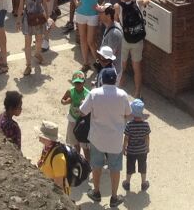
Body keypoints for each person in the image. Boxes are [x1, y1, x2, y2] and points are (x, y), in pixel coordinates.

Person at [80, 70, 135, 206]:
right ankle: (114, 198)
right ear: (115, 80)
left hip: (97, 138)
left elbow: (82, 112)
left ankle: (96, 192)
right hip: (115, 140)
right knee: (115, 168)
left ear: (102, 80)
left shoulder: (94, 93)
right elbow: (129, 115)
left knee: (96, 165)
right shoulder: (122, 95)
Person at [117, 0, 148, 97]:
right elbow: (146, 1)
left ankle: (119, 85)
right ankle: (137, 92)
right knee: (137, 68)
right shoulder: (138, 2)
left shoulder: (118, 6)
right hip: (138, 40)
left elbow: (116, 19)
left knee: (122, 66)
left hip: (126, 39)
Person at [73, 0, 105, 65]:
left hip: (92, 14)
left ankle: (97, 62)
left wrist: (101, 6)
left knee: (90, 41)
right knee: (83, 39)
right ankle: (85, 62)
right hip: (81, 13)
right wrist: (76, 2)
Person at [124, 99, 152, 194]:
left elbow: (126, 138)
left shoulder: (129, 125)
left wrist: (124, 148)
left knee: (130, 167)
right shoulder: (146, 125)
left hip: (131, 151)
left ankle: (127, 183)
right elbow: (147, 138)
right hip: (142, 150)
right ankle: (143, 183)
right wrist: (147, 147)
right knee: (143, 166)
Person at [36, 121, 72, 193]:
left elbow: (59, 184)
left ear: (49, 138)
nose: (39, 137)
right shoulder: (47, 147)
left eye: (42, 136)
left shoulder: (58, 158)